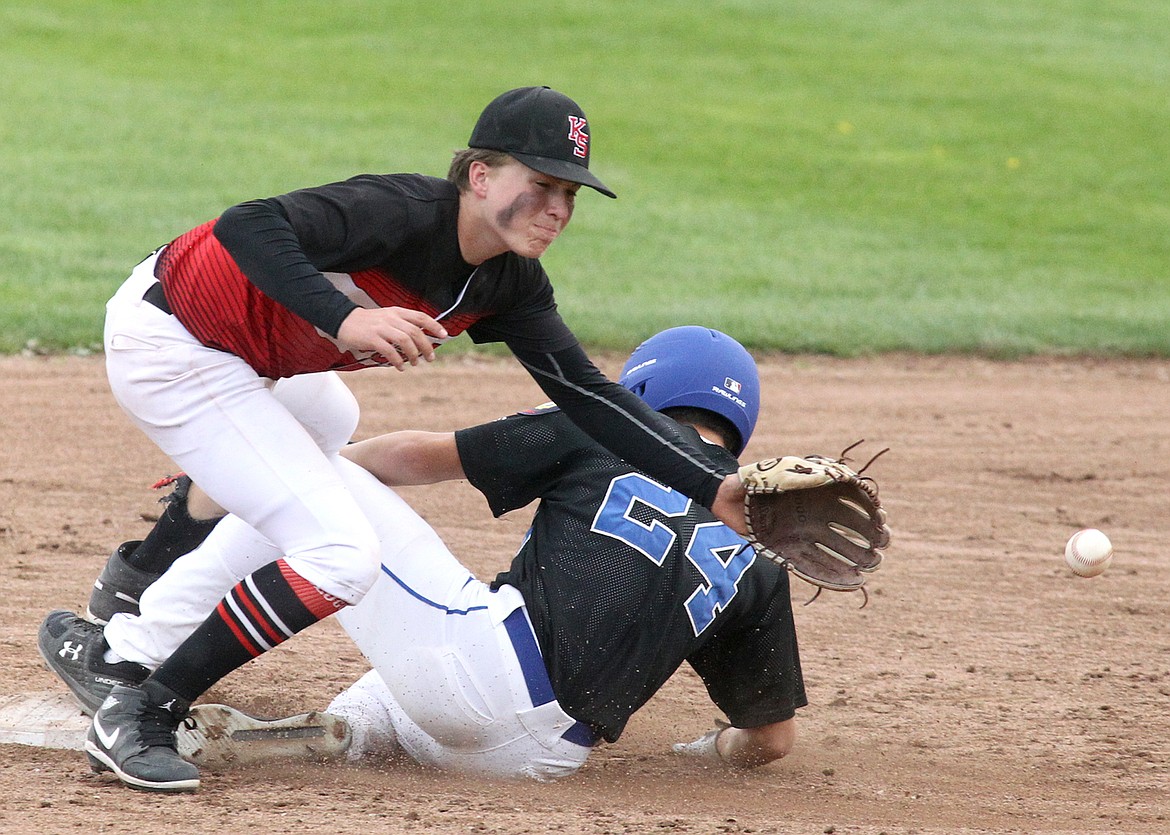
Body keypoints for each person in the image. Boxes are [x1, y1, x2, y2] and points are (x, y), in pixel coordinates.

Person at [75, 85, 757, 792]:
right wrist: (343, 319)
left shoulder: (511, 283)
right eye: (543, 185)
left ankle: (126, 638)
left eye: (570, 194)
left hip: (248, 359)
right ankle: (138, 712)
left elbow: (588, 393)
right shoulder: (403, 212)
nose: (559, 209)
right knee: (340, 553)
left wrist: (715, 487)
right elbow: (249, 225)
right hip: (175, 342)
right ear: (481, 176)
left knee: (326, 427)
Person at [42, 327, 805, 785]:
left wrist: (278, 473)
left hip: (480, 673)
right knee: (400, 697)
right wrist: (700, 748)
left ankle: (130, 653)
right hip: (544, 759)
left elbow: (416, 458)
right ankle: (343, 731)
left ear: (642, 387)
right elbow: (769, 741)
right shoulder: (759, 557)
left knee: (307, 470)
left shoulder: (608, 424)